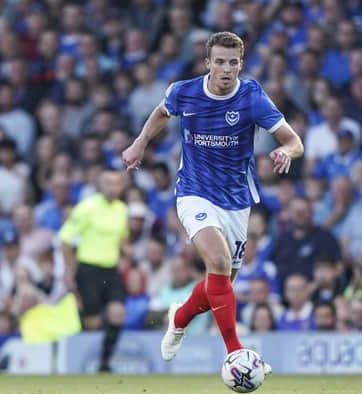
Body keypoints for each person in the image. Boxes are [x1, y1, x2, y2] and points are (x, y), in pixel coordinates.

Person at [121, 32, 303, 373]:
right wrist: (140, 142)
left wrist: (284, 151)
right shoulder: (184, 91)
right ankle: (236, 353)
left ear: (240, 64)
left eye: (233, 62)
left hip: (236, 200)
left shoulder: (252, 97)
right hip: (193, 191)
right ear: (208, 63)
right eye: (219, 61)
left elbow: (295, 141)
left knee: (221, 285)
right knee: (217, 262)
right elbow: (161, 113)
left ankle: (180, 316)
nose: (226, 69)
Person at [58, 170, 128, 373]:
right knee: (93, 321)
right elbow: (65, 239)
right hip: (88, 269)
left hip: (111, 269)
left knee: (118, 313)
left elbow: (122, 238)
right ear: (100, 184)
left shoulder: (122, 210)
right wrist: (70, 270)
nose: (113, 187)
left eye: (116, 183)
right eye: (108, 183)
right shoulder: (86, 208)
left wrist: (125, 255)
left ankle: (105, 363)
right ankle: (75, 356)